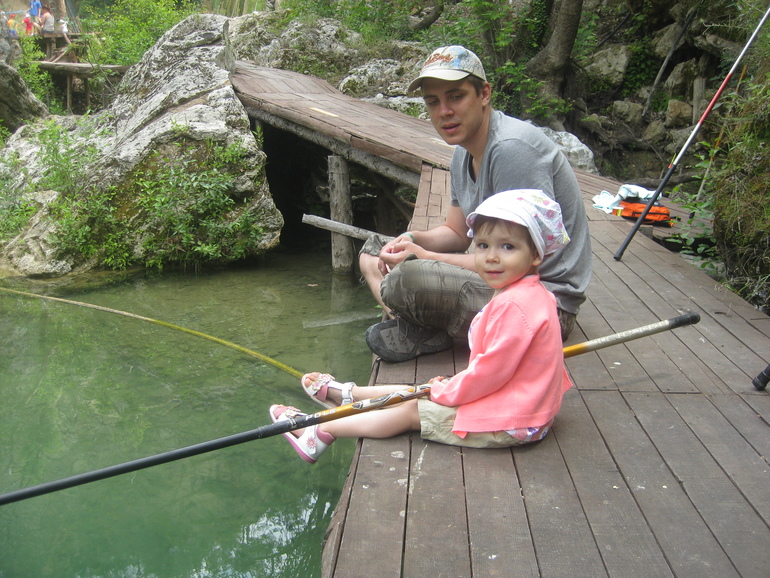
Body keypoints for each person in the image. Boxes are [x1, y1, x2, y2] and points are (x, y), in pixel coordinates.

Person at [269, 189, 574, 463]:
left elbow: (488, 376)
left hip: (514, 421)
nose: (491, 257)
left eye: (507, 247)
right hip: (523, 404)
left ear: (536, 254)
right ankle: (350, 395)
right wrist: (445, 389)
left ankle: (319, 431)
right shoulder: (531, 293)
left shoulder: (514, 305)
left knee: (412, 409)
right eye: (482, 245)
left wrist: (447, 392)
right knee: (425, 390)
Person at [359, 45, 592, 363]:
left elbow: (516, 263)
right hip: (498, 276)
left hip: (540, 304)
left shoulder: (511, 149)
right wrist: (413, 240)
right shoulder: (461, 155)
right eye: (433, 102)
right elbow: (456, 232)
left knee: (404, 281)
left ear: (484, 94)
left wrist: (424, 257)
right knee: (373, 250)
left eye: (456, 97)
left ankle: (423, 327)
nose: (444, 112)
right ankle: (424, 326)